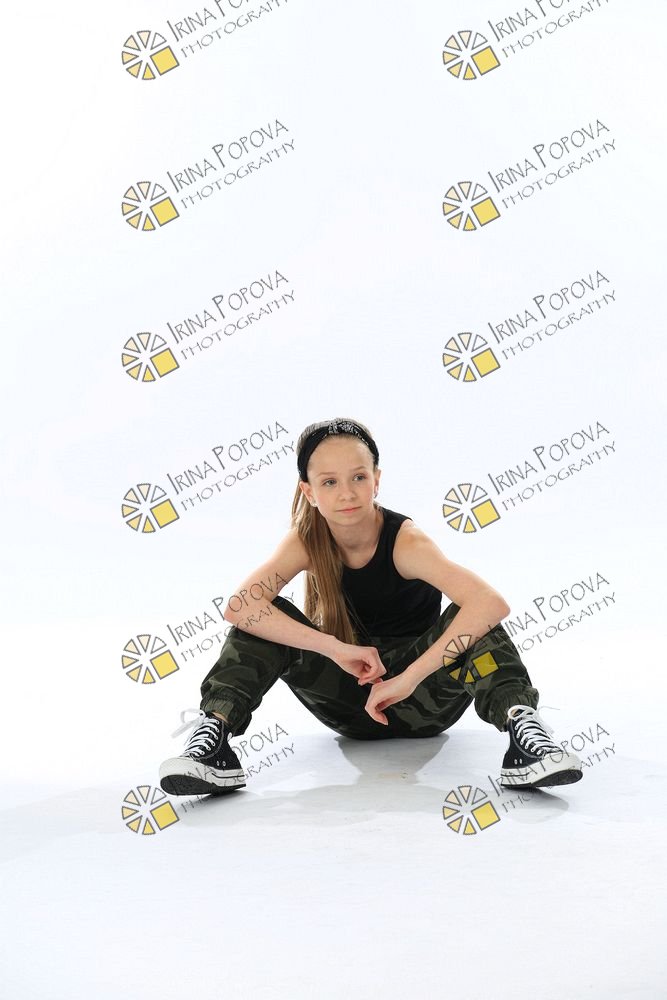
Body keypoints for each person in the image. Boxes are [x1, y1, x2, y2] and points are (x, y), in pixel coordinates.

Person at [159, 417, 583, 797]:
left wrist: (408, 678)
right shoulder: (307, 540)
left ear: (376, 481)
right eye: (329, 482)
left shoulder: (406, 541)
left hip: (425, 696)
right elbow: (240, 607)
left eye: (358, 477)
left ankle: (525, 734)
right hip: (349, 700)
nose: (346, 493)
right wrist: (334, 648)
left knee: (473, 620)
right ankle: (213, 742)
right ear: (308, 491)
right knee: (262, 619)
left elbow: (490, 603)